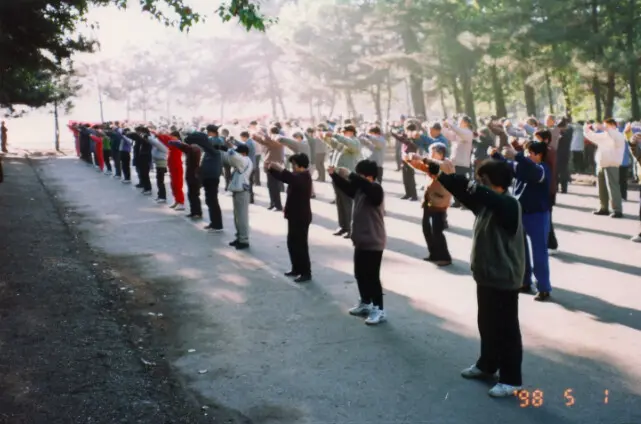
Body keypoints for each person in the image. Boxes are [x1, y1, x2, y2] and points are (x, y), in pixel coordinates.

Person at [437, 157, 525, 398]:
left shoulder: (508, 204)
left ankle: (511, 379)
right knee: (487, 324)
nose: (477, 182)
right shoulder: (486, 204)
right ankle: (487, 365)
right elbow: (464, 193)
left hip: (504, 278)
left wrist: (471, 184)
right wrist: (437, 173)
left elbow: (481, 194)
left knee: (506, 329)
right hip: (486, 276)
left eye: (482, 178)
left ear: (492, 181)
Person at [492, 138, 553, 301]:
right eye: (526, 152)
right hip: (521, 212)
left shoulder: (542, 169)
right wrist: (496, 155)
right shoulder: (523, 165)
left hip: (538, 215)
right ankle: (525, 281)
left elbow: (530, 169)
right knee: (521, 251)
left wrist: (517, 155)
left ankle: (544, 287)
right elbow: (507, 166)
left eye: (530, 153)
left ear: (539, 155)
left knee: (539, 252)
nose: (527, 155)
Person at [329, 159, 387, 326]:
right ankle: (365, 302)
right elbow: (348, 189)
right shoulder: (362, 188)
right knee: (360, 274)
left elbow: (371, 193)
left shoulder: (375, 188)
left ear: (368, 176)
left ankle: (379, 309)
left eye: (360, 174)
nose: (356, 178)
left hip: (374, 240)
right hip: (361, 240)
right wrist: (334, 176)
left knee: (372, 277)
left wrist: (352, 175)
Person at [267, 153, 313, 283]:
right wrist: (271, 169)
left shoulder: (304, 176)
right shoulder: (296, 176)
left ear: (300, 165)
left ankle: (305, 272)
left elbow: (291, 178)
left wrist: (281, 169)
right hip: (293, 215)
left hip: (301, 217)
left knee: (300, 245)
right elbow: (284, 178)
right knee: (292, 243)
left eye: (293, 164)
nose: (292, 167)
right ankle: (296, 268)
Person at [407, 143, 452, 266]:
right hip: (429, 201)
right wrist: (410, 160)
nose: (429, 154)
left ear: (440, 153)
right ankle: (434, 254)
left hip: (439, 202)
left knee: (436, 231)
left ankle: (444, 257)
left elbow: (436, 164)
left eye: (431, 152)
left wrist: (421, 158)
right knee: (427, 229)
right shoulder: (433, 164)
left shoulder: (447, 164)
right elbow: (422, 166)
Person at [584, 119, 626, 218]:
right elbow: (591, 136)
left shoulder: (618, 135)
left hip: (612, 164)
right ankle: (604, 208)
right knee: (601, 188)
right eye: (604, 125)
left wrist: (603, 128)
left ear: (614, 126)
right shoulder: (604, 135)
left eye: (607, 126)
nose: (605, 127)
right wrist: (586, 128)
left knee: (613, 187)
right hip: (601, 164)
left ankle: (617, 210)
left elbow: (612, 134)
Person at [187, 128, 225, 231]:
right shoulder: (208, 153)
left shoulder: (215, 153)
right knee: (210, 201)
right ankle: (214, 223)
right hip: (207, 178)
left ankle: (217, 225)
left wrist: (199, 138)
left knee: (212, 201)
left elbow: (205, 144)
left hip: (212, 179)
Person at [169, 133, 203, 219]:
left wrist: (179, 144)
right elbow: (185, 148)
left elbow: (187, 149)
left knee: (194, 195)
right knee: (191, 194)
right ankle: (193, 211)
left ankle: (197, 212)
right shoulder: (192, 148)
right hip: (191, 174)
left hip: (194, 174)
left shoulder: (195, 148)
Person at [227, 144, 253, 250]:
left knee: (242, 217)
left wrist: (229, 149)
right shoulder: (244, 160)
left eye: (239, 152)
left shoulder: (245, 160)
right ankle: (239, 238)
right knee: (238, 217)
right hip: (239, 191)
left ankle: (244, 240)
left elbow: (234, 156)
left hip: (242, 191)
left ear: (243, 153)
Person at [147, 132, 169, 203]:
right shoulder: (160, 145)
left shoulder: (162, 145)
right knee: (159, 180)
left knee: (160, 181)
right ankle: (160, 195)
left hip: (161, 164)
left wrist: (149, 137)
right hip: (158, 164)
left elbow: (155, 142)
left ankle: (163, 197)